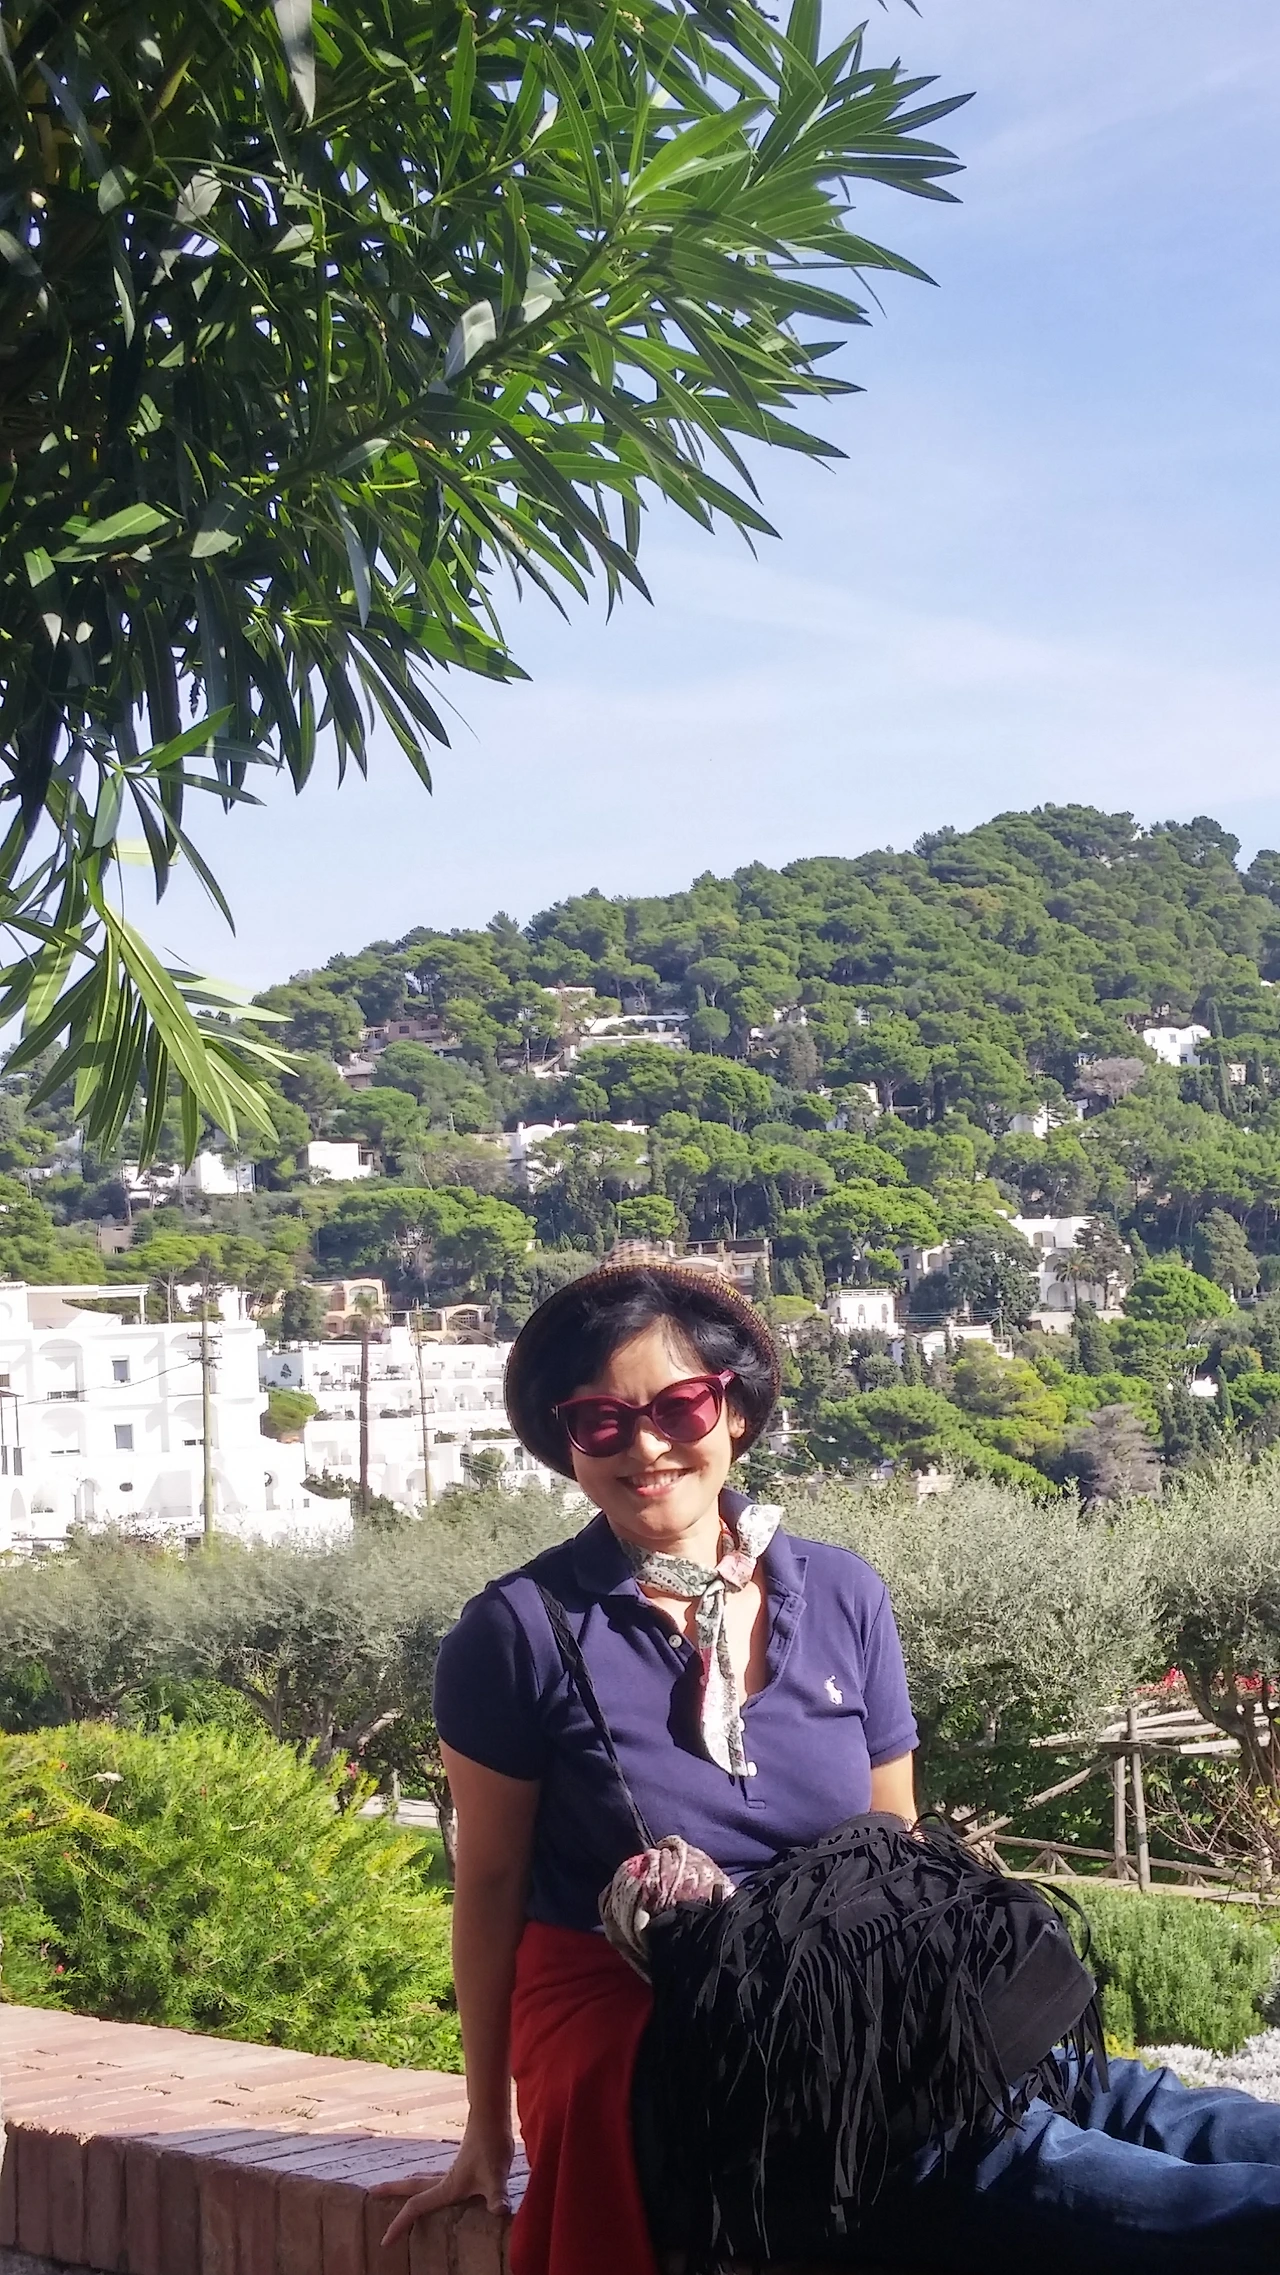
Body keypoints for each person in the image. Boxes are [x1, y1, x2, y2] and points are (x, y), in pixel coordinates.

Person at [374, 1263, 1280, 2274]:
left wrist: (926, 2009)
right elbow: (491, 1886)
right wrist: (485, 2132)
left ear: (734, 1412)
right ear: (568, 1443)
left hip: (862, 1991)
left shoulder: (842, 1592)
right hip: (687, 2041)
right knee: (1027, 2162)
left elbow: (892, 1846)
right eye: (601, 1421)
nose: (646, 1446)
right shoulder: (517, 1633)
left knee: (1121, 2098)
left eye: (678, 1406)